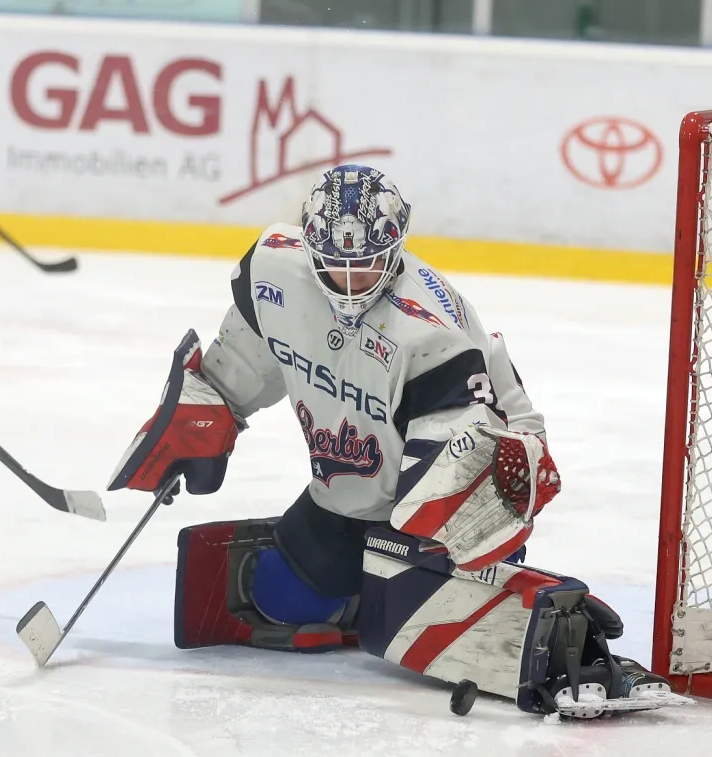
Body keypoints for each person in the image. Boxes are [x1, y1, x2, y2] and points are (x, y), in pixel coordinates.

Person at [108, 164, 678, 718]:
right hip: (351, 486)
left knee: (444, 605)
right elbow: (239, 366)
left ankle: (560, 634)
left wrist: (455, 539)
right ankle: (367, 592)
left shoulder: (432, 332)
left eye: (367, 266)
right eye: (334, 266)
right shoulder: (275, 274)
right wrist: (201, 416)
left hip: (467, 470)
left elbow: (463, 459)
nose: (350, 284)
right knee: (280, 597)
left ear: (397, 247)